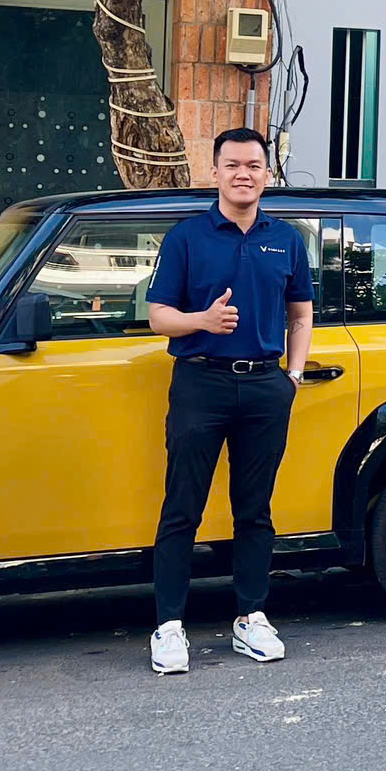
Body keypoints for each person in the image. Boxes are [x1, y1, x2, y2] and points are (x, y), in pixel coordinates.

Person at [143, 128, 314, 674]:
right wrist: (203, 321)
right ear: (214, 171)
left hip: (265, 386)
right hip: (201, 382)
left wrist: (293, 373)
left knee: (255, 509)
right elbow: (158, 316)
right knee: (182, 506)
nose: (244, 174)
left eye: (254, 165)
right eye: (233, 164)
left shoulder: (286, 239)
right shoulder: (187, 237)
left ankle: (251, 617)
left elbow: (301, 312)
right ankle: (169, 625)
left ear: (268, 174)